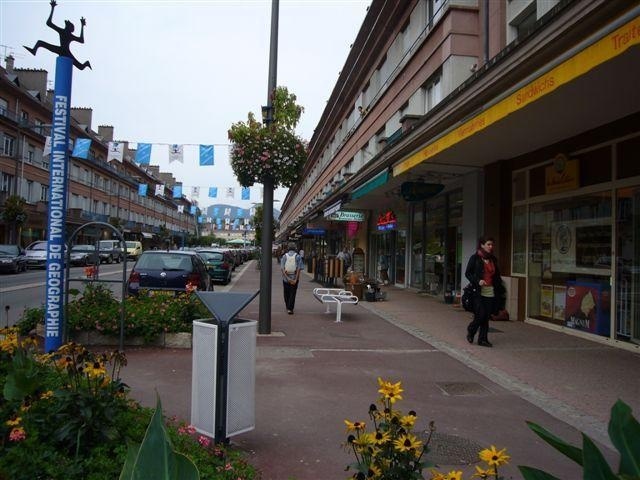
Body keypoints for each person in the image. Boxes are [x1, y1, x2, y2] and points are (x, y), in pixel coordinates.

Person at [464, 236, 504, 347]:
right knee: (481, 314)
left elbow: (496, 275)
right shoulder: (475, 258)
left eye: (492, 245)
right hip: (478, 291)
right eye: (488, 244)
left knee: (486, 316)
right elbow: (468, 273)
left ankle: (483, 339)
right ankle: (471, 329)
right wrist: (478, 281)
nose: (491, 247)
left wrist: (499, 286)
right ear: (482, 245)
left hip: (490, 291)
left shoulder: (493, 259)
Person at [281, 242, 303, 314]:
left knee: (286, 293)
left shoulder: (284, 256)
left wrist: (287, 278)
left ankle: (288, 306)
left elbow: (282, 269)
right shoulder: (298, 256)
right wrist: (295, 279)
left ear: (288, 248)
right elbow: (299, 269)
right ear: (295, 248)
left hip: (285, 279)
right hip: (294, 278)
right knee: (293, 293)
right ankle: (290, 309)